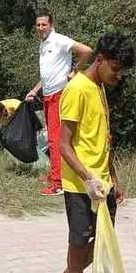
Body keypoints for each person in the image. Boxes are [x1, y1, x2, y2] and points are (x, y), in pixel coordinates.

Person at [41, 33, 135, 273]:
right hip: (81, 188)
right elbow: (63, 145)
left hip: (103, 185)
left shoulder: (100, 88)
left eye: (122, 71)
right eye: (116, 69)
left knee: (100, 246)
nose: (118, 76)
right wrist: (87, 178)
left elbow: (103, 141)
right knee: (79, 245)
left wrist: (114, 180)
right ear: (101, 60)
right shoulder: (77, 89)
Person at [24, 11, 93, 197]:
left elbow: (87, 51)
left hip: (60, 94)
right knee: (52, 138)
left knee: (55, 139)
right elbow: (46, 74)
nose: (40, 28)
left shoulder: (59, 40)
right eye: (38, 25)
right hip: (47, 95)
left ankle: (58, 183)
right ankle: (55, 174)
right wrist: (35, 90)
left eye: (43, 25)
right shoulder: (43, 44)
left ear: (51, 25)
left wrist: (75, 71)